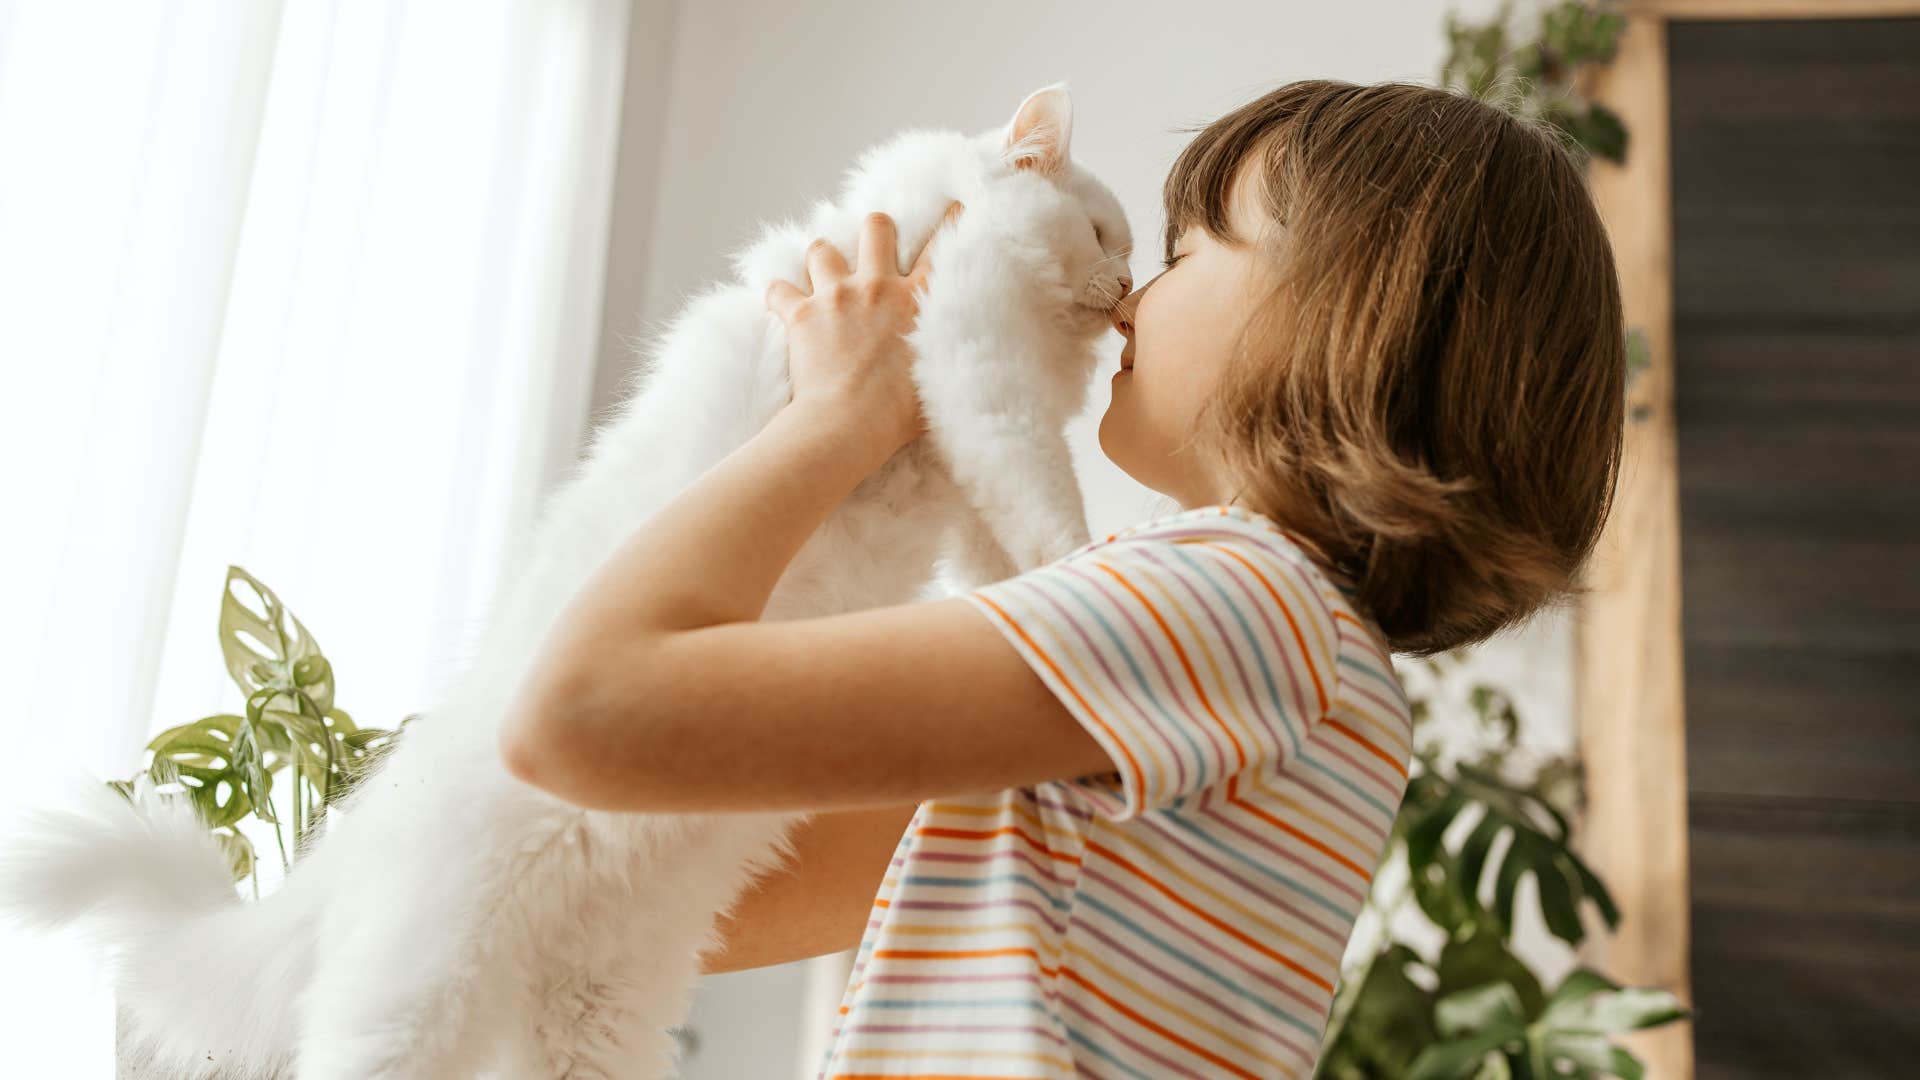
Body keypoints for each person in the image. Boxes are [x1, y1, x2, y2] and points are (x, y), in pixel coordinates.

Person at [500, 78, 1625, 1079]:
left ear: (1350, 314)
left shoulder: (1244, 605)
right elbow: (718, 896)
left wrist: (833, 419)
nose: (1131, 298)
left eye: (1186, 254)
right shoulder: (1268, 656)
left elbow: (578, 710)